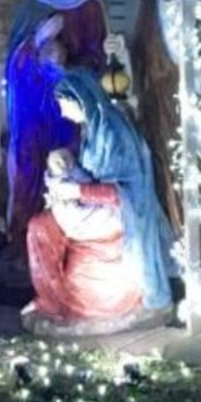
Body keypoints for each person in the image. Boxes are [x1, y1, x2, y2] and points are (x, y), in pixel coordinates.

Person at [24, 67, 173, 331]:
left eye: (64, 105)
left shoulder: (113, 133)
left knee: (54, 223)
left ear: (82, 100)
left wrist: (76, 192)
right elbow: (87, 170)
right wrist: (65, 166)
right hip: (94, 205)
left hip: (122, 213)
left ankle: (75, 302)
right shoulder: (92, 129)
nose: (62, 112)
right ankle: (51, 299)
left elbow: (125, 191)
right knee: (39, 227)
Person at [106, 0, 201, 238]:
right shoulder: (150, 5)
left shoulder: (197, 5)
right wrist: (122, 51)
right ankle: (170, 240)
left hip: (186, 101)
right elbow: (141, 53)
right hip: (154, 101)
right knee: (159, 171)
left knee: (192, 174)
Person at [5, 0, 108, 246]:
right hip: (33, 107)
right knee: (30, 167)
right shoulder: (30, 5)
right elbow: (12, 62)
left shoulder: (89, 7)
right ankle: (26, 241)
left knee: (68, 164)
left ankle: (69, 242)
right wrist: (35, 43)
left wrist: (68, 68)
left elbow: (97, 59)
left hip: (69, 107)